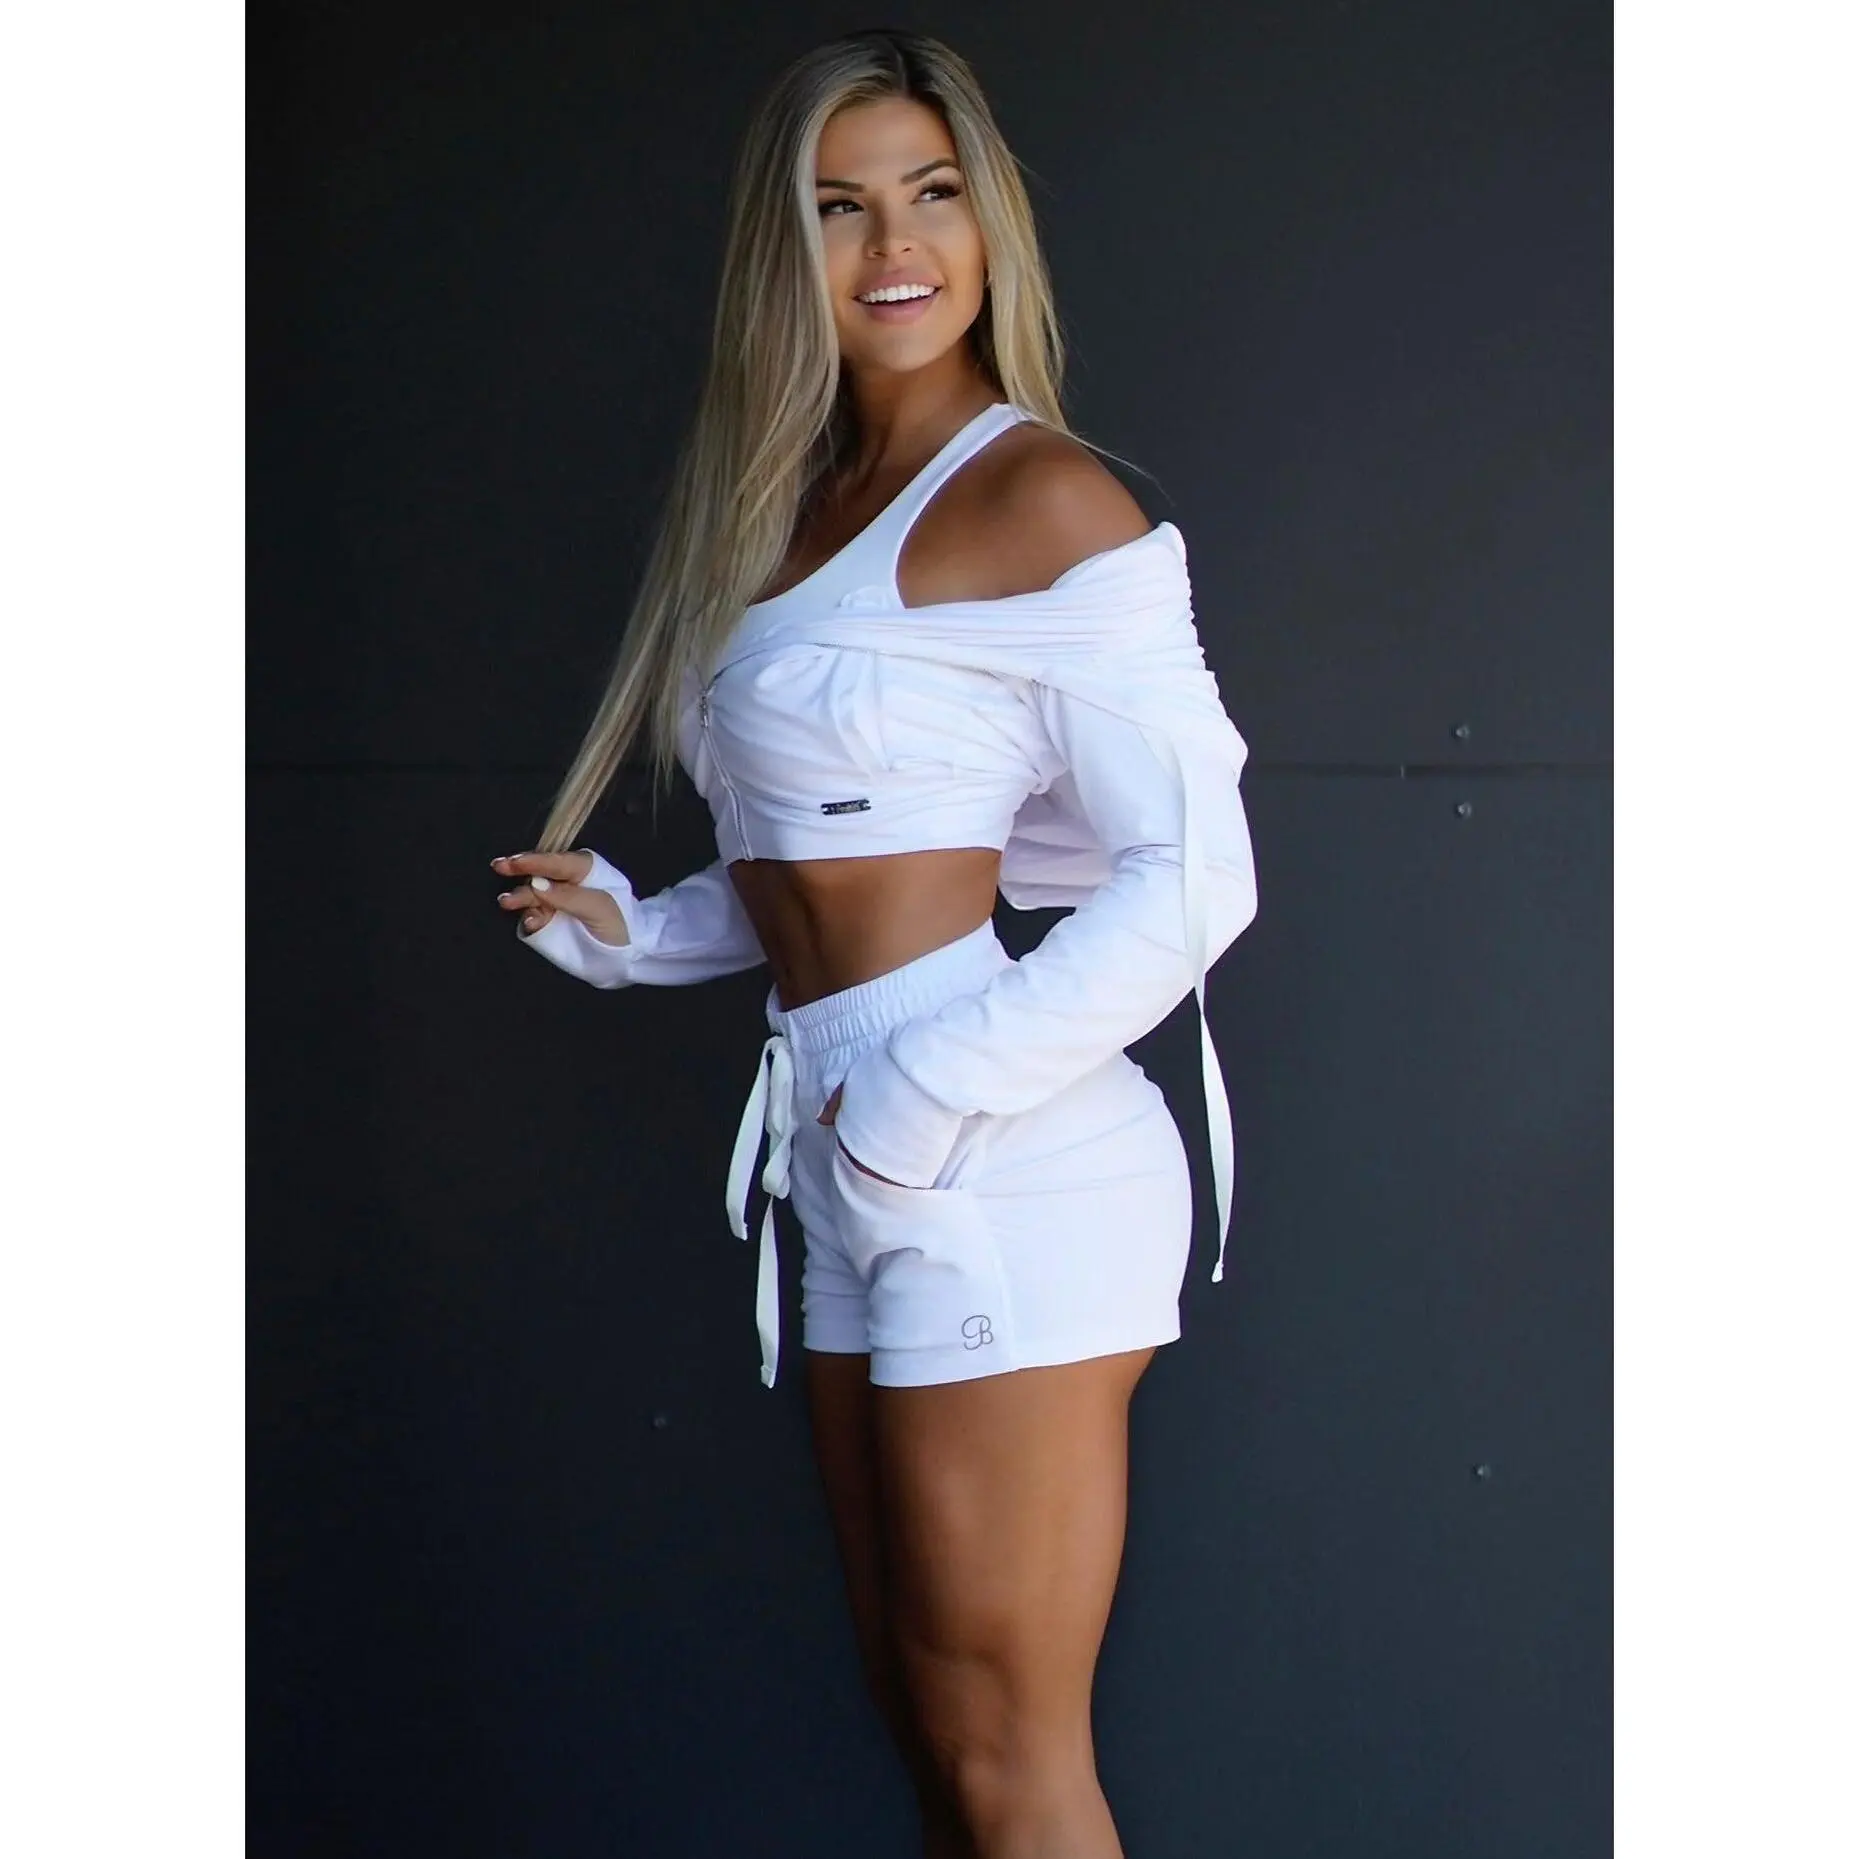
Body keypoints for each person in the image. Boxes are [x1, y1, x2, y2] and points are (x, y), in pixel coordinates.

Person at [490, 29, 1257, 1859]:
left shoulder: (1046, 500)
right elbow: (835, 861)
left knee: (1008, 1755)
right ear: (787, 248)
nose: (894, 244)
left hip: (996, 1160)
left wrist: (914, 1105)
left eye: (932, 194)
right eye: (840, 207)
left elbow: (1196, 877)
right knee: (925, 1728)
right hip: (855, 1151)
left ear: (991, 225)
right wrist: (636, 930)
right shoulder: (785, 511)